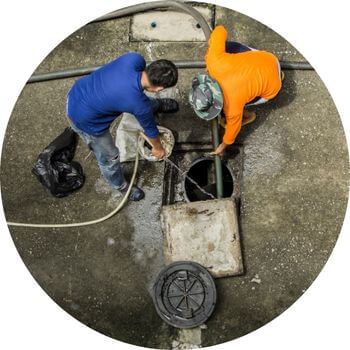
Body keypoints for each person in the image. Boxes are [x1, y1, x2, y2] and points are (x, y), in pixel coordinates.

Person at [67, 52, 178, 201]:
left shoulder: (134, 59)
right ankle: (121, 186)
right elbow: (151, 131)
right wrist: (158, 149)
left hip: (77, 92)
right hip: (84, 120)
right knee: (109, 158)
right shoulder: (139, 105)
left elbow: (136, 95)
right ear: (159, 89)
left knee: (139, 102)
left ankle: (156, 105)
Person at [189, 25, 283, 155]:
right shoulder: (214, 61)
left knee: (242, 104)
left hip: (272, 89)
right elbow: (221, 30)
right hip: (269, 60)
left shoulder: (231, 106)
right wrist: (211, 48)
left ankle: (248, 116)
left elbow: (233, 130)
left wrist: (222, 147)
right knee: (228, 46)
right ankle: (279, 75)